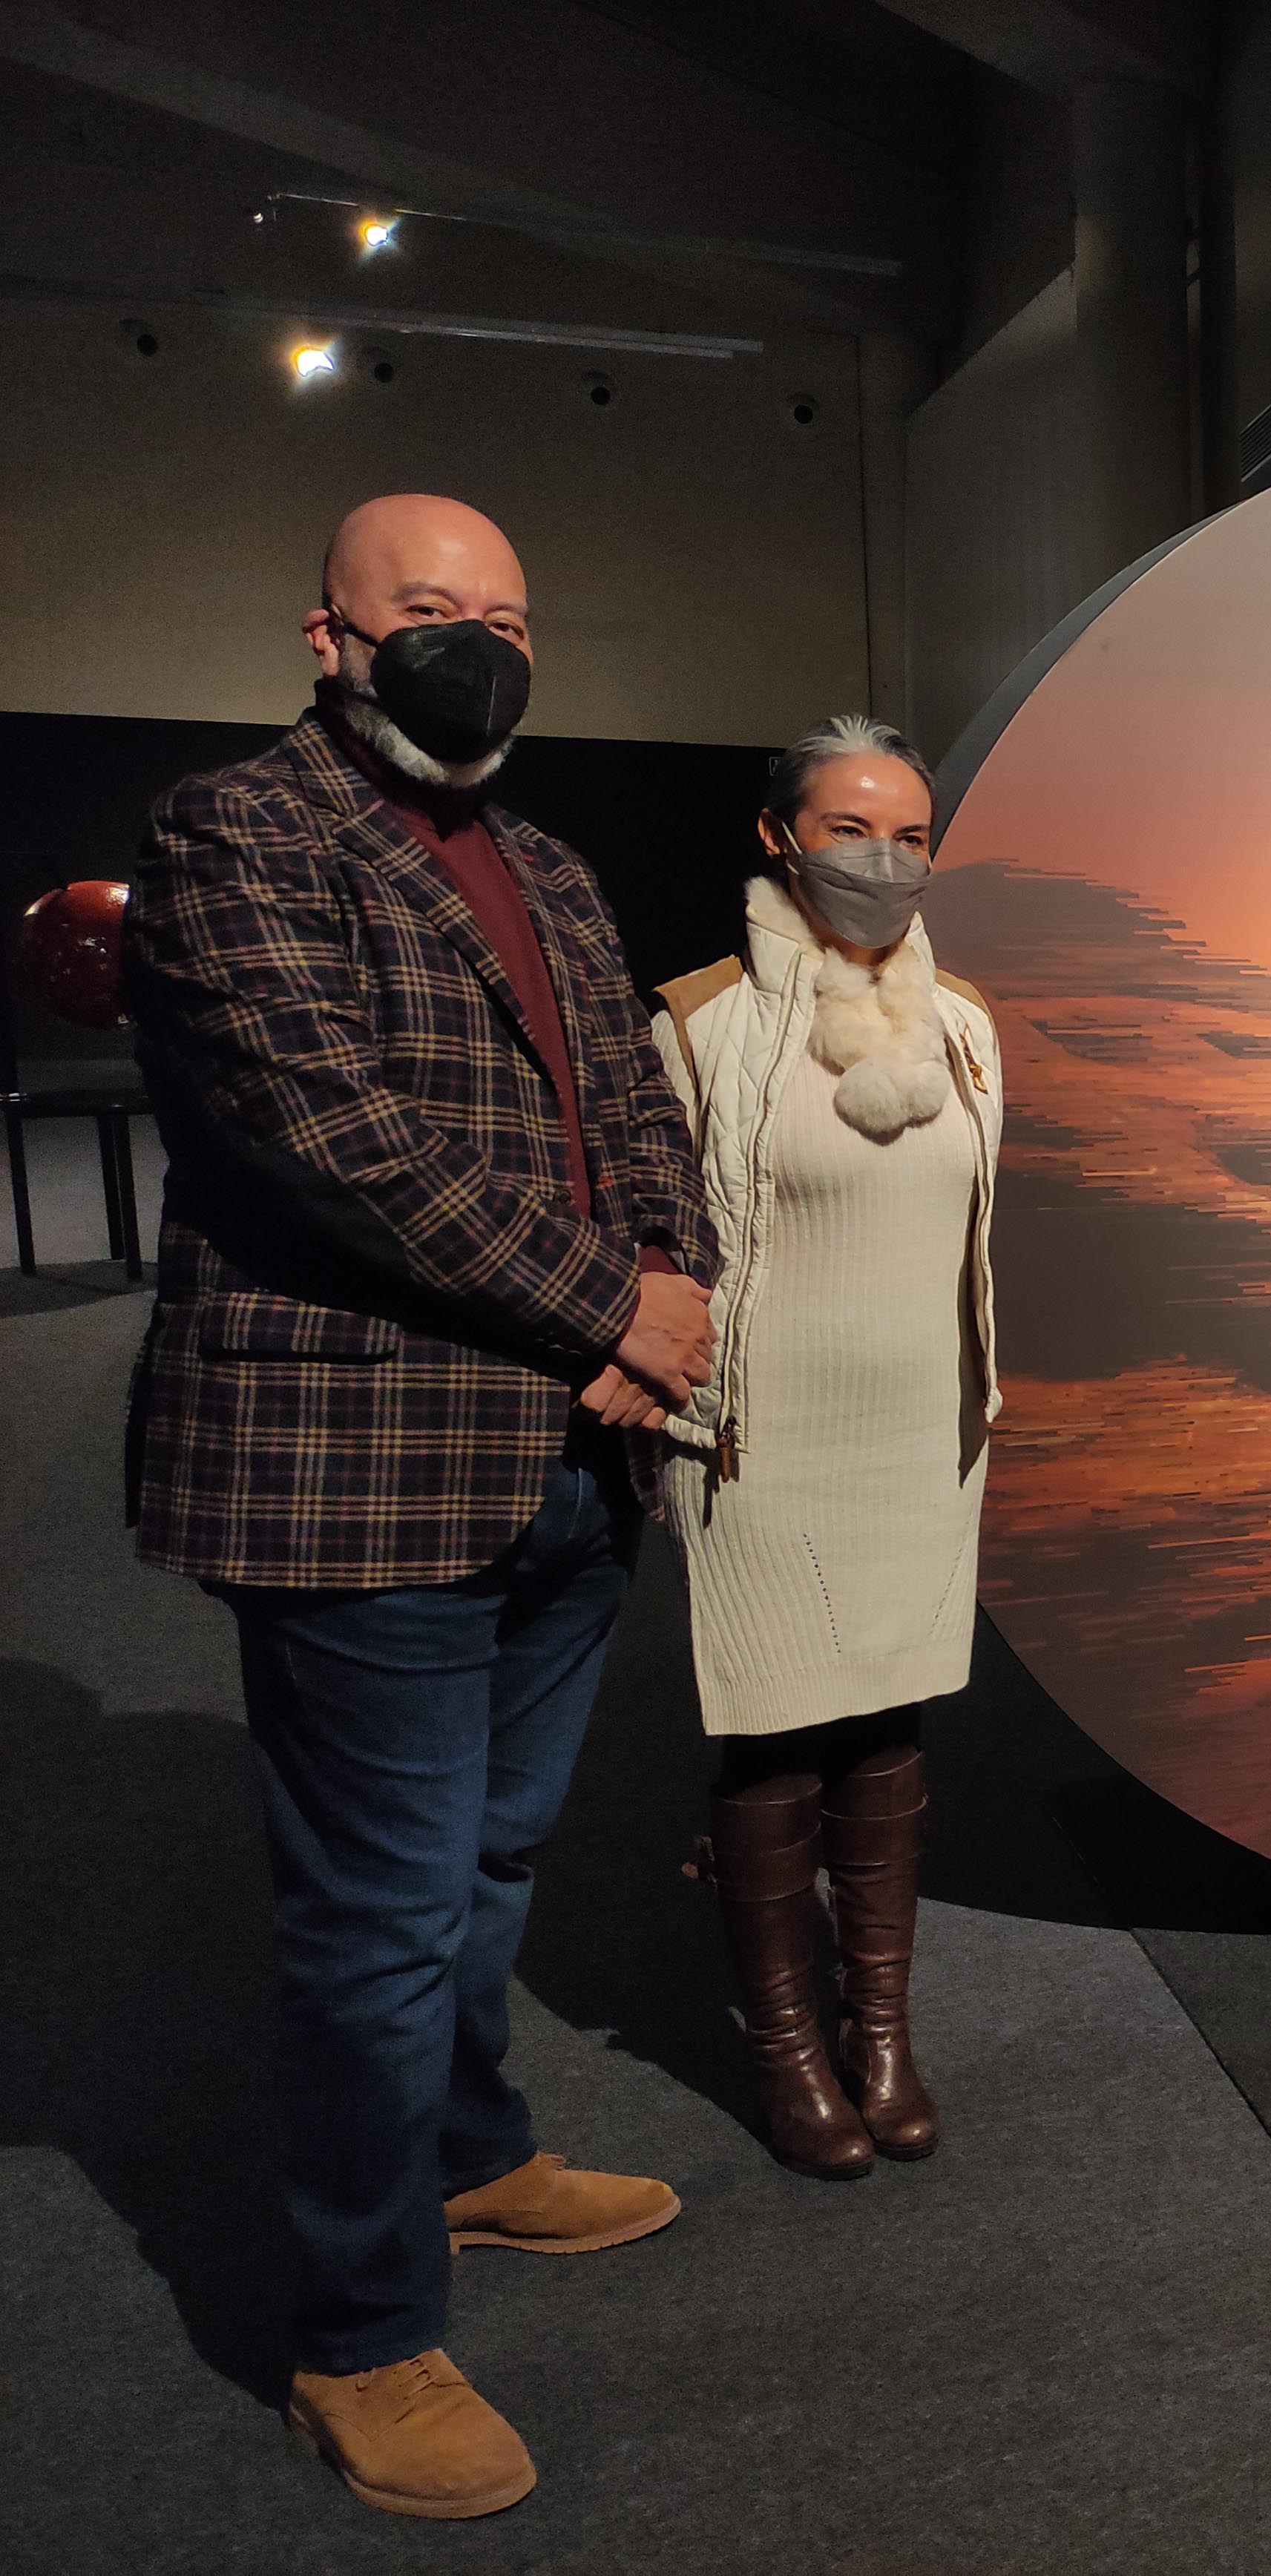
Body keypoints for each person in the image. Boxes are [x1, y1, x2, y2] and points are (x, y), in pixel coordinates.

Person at [121, 494, 717, 2519]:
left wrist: (673, 1289)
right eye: (435, 610)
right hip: (359, 1463)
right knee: (377, 1920)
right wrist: (615, 1304)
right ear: (331, 634)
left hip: (575, 1447)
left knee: (492, 1857)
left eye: (510, 617)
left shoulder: (546, 860)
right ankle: (361, 2335)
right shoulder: (235, 835)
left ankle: (467, 2155)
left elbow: (640, 1105)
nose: (478, 645)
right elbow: (335, 1144)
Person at [647, 716, 1001, 2175]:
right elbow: (662, 1242)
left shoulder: (964, 1024)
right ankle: (787, 2048)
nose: (884, 860)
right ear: (779, 837)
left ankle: (882, 2033)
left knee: (890, 1724)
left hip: (921, 1434)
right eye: (851, 829)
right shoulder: (701, 1024)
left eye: (911, 834)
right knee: (774, 1734)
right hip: (764, 1438)